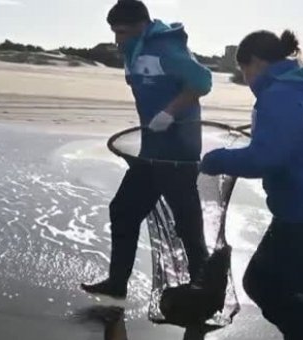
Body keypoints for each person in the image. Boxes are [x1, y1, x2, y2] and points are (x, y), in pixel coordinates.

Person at [200, 30, 303, 340]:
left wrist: (217, 160)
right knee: (267, 283)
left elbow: (265, 159)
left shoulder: (280, 96)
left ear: (255, 62)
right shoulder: (300, 90)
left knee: (286, 290)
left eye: (244, 71)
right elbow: (301, 140)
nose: (246, 80)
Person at [82, 0, 212, 299]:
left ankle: (204, 291)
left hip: (179, 153)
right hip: (151, 153)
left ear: (142, 25)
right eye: (114, 32)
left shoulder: (166, 48)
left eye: (123, 31)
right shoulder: (132, 50)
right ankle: (117, 283)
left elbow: (202, 82)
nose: (117, 38)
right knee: (124, 210)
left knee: (187, 223)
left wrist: (169, 113)